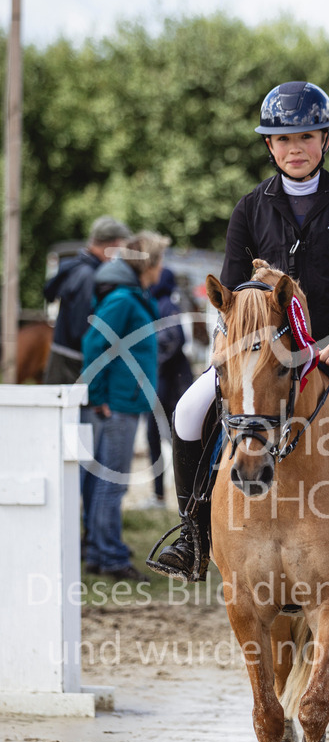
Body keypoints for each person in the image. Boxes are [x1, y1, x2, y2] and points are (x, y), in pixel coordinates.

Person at [152, 80, 329, 600]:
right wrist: (237, 345)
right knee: (187, 413)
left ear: (325, 140)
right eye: (283, 139)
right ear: (270, 145)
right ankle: (192, 534)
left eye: (306, 137)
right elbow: (231, 292)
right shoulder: (250, 208)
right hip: (265, 354)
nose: (295, 148)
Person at [80, 231, 168, 580]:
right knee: (111, 483)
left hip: (125, 401)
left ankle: (100, 552)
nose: (163, 268)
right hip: (117, 404)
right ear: (149, 264)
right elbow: (94, 344)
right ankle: (110, 556)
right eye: (160, 260)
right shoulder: (123, 300)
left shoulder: (135, 297)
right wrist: (98, 397)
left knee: (107, 482)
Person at [43, 215, 131, 384]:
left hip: (64, 356)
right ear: (111, 244)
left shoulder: (78, 267)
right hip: (73, 363)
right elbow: (82, 328)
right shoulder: (88, 276)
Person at [139, 267, 194, 508]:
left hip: (169, 385)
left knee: (165, 438)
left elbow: (175, 339)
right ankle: (162, 495)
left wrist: (152, 361)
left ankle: (180, 496)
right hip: (167, 384)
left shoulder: (165, 305)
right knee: (161, 438)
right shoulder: (161, 304)